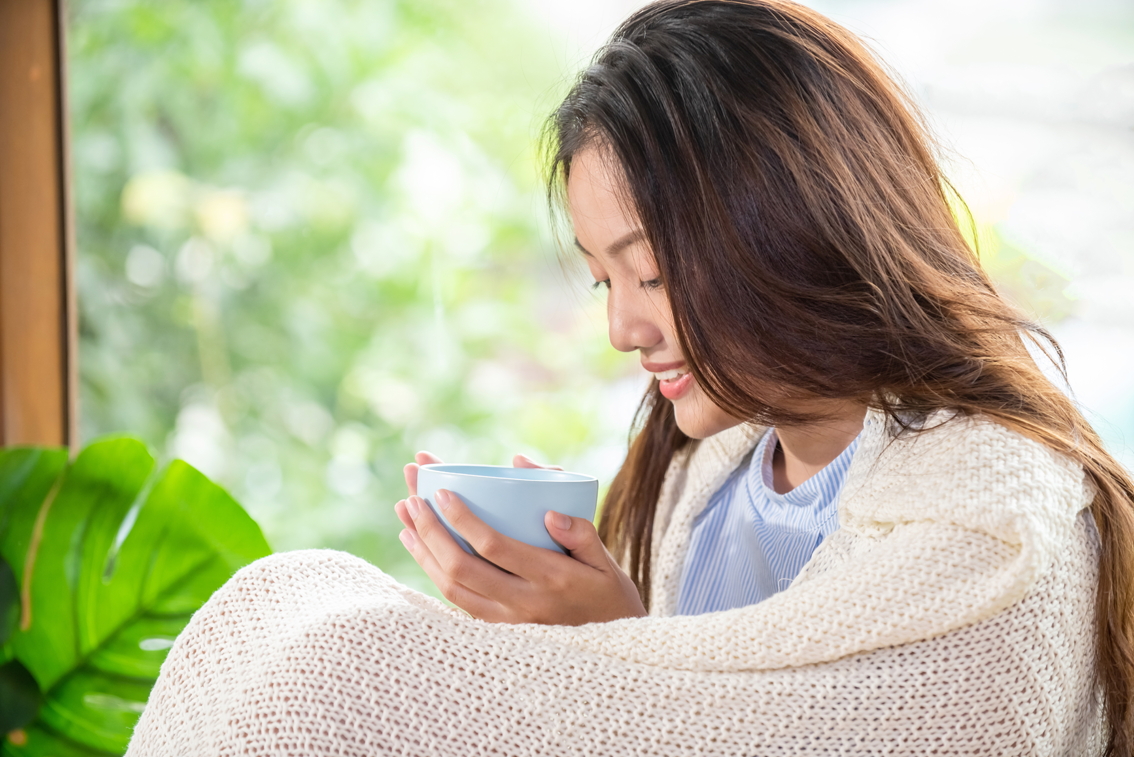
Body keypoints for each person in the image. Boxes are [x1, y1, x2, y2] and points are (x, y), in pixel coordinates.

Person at [127, 1, 1134, 754]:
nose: (620, 326)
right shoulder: (707, 478)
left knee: (343, 668)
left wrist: (602, 653)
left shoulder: (993, 517)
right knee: (295, 605)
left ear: (786, 224)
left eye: (649, 271)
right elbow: (693, 710)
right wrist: (594, 637)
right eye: (603, 275)